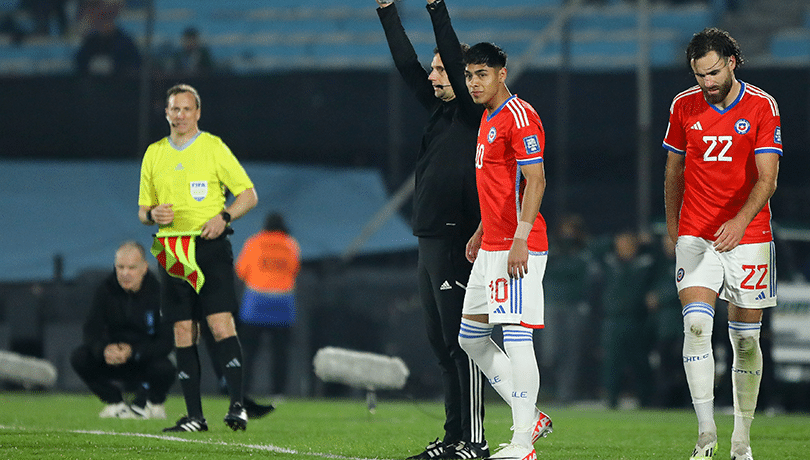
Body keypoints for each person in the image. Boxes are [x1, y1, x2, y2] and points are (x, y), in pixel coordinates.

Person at [662, 27, 781, 460]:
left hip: (748, 235)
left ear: (732, 61)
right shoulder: (683, 106)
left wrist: (739, 220)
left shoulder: (762, 106)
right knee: (695, 326)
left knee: (745, 340)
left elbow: (767, 179)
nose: (706, 83)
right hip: (696, 233)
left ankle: (741, 439)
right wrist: (674, 226)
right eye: (699, 76)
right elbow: (674, 170)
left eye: (713, 73)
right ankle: (706, 435)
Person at [376, 0, 488, 457]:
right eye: (436, 68)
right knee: (442, 345)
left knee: (464, 344)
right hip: (429, 238)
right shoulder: (439, 111)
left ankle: (475, 440)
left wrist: (436, 8)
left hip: (456, 237)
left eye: (442, 68)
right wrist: (387, 11)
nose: (432, 74)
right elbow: (407, 65)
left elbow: (448, 55)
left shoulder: (469, 111)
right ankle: (453, 436)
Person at [138, 83, 258, 432]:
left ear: (197, 113)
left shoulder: (213, 147)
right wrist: (152, 215)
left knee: (220, 324)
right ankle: (194, 416)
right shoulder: (154, 154)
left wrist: (224, 218)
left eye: (186, 109)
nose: (180, 115)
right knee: (182, 329)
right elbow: (143, 210)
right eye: (174, 109)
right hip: (172, 249)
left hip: (208, 247)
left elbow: (248, 195)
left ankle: (237, 406)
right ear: (166, 113)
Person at [457, 42, 553, 460]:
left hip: (519, 245)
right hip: (493, 244)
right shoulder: (486, 117)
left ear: (502, 73)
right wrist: (481, 230)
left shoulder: (519, 115)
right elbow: (501, 185)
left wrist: (520, 238)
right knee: (471, 338)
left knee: (517, 340)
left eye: (482, 74)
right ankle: (529, 415)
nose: (474, 82)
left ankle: (522, 444)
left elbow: (536, 180)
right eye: (469, 75)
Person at [70, 241, 175, 419]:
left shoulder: (159, 293)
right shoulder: (105, 290)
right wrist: (104, 350)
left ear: (144, 267)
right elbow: (91, 331)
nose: (125, 273)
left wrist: (133, 352)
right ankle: (115, 402)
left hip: (143, 360)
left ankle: (153, 403)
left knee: (166, 368)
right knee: (79, 357)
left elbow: (165, 342)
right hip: (113, 359)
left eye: (131, 268)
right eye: (120, 267)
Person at [235, 212, 301, 396]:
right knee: (280, 353)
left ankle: (243, 389)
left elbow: (241, 271)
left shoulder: (254, 242)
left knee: (248, 351)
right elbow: (294, 269)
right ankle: (278, 393)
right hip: (282, 303)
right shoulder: (290, 244)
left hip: (255, 303)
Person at [598, 230, 655, 409]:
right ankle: (611, 400)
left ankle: (645, 400)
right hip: (613, 319)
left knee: (640, 361)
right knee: (612, 362)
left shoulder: (645, 263)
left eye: (628, 244)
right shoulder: (609, 262)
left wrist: (646, 243)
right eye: (620, 245)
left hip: (636, 319)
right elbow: (595, 249)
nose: (624, 248)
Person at [74, 0, 141, 76]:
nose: (105, 23)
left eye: (107, 18)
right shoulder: (91, 42)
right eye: (102, 18)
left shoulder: (126, 43)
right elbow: (80, 63)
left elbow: (134, 67)